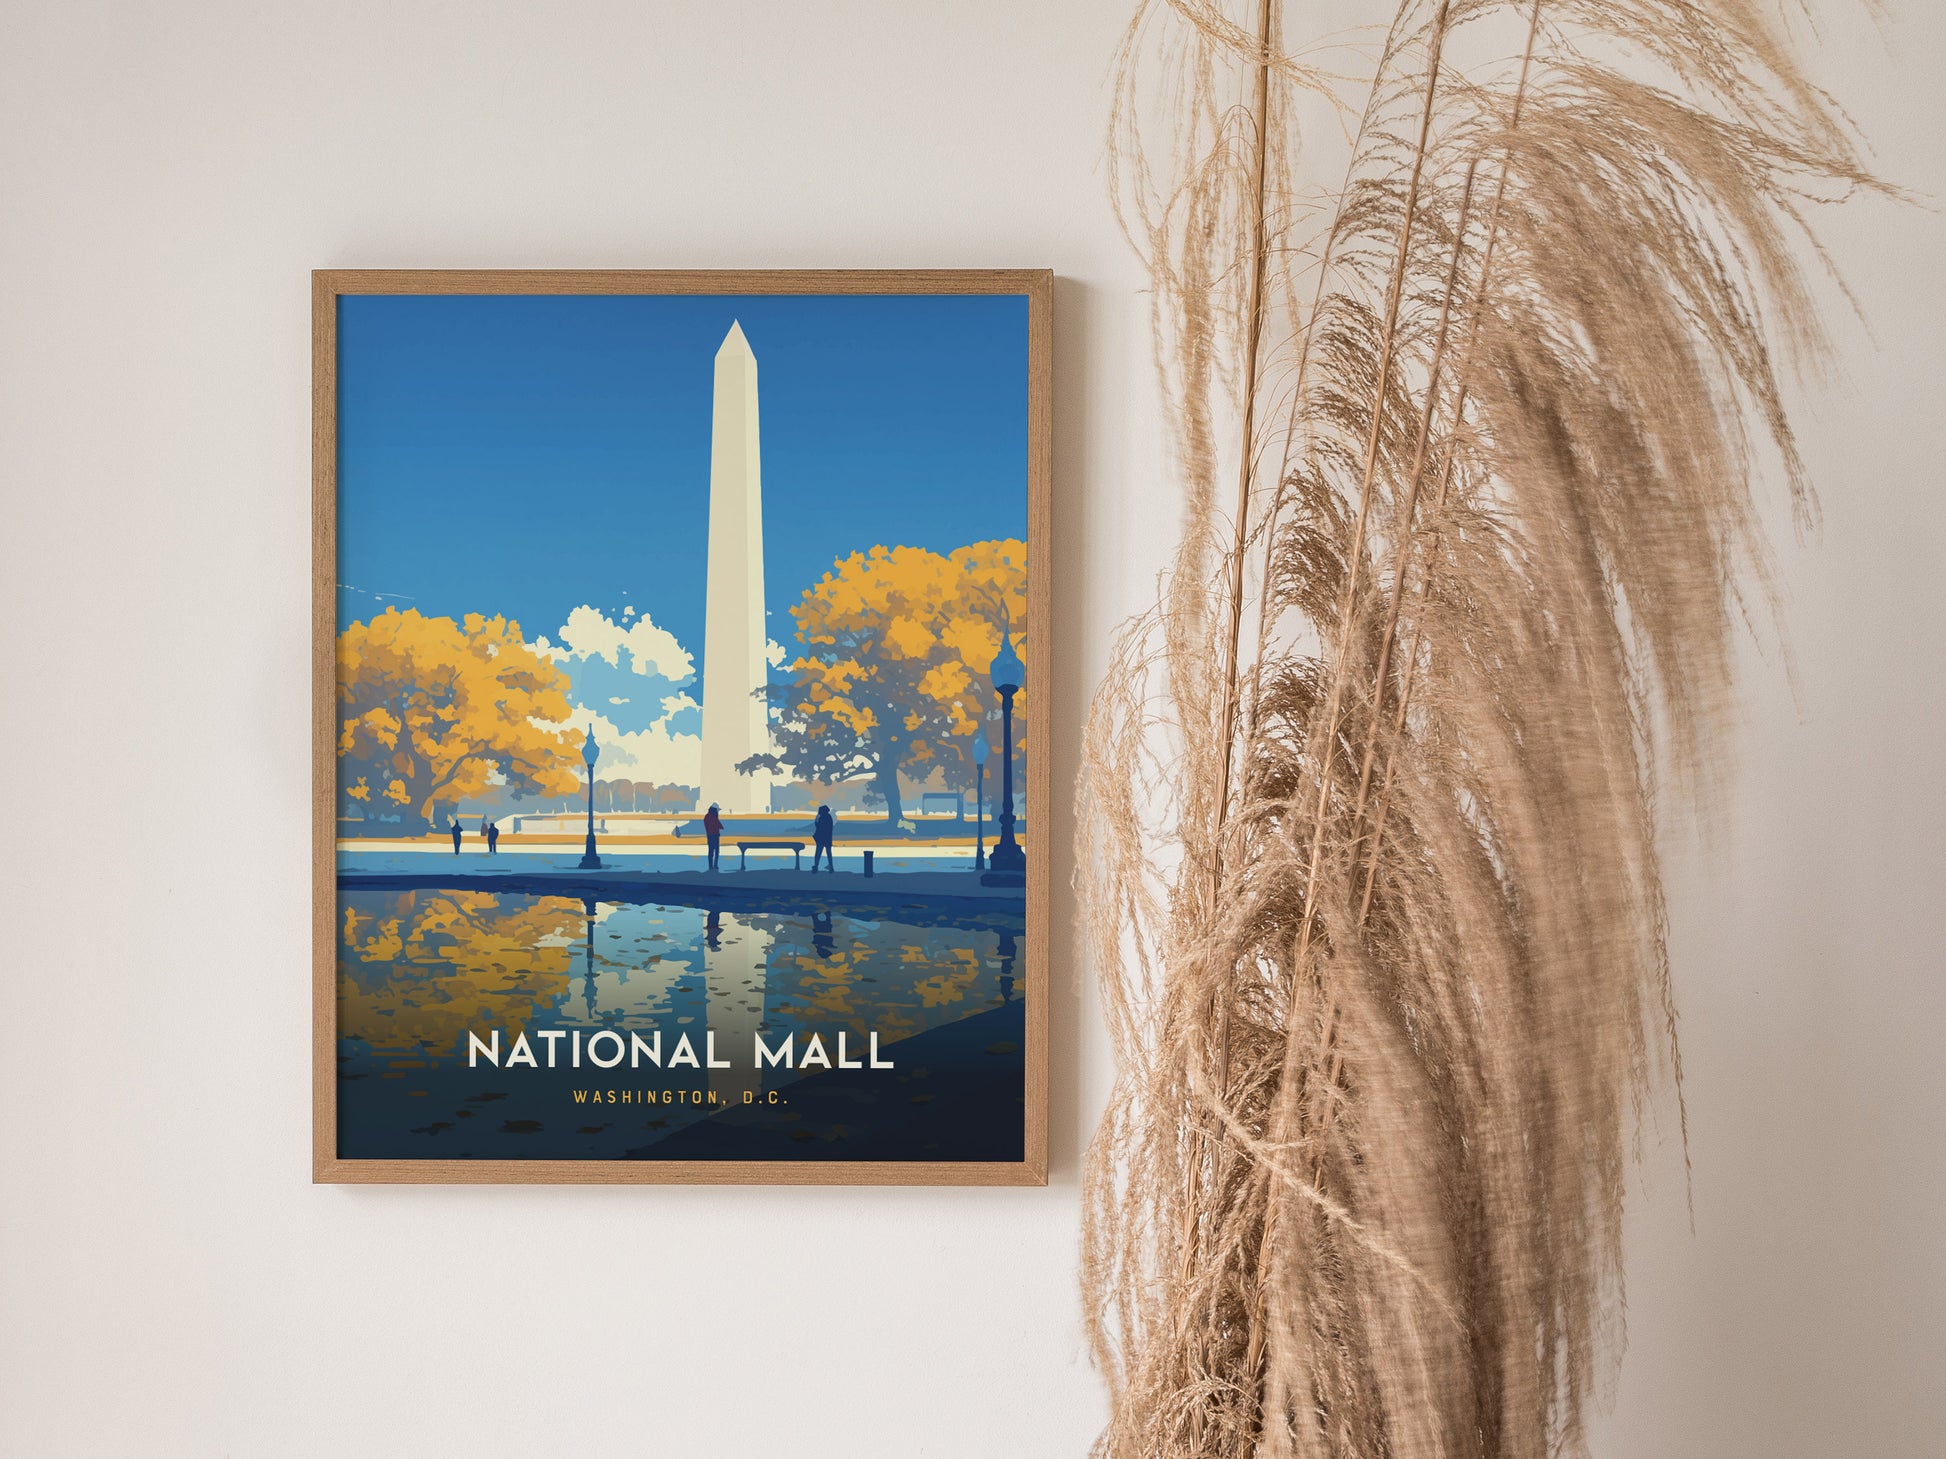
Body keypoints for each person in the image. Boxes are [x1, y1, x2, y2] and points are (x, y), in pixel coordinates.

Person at [811, 803, 835, 872]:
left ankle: (816, 866)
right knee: (828, 853)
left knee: (818, 853)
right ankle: (831, 867)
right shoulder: (829, 817)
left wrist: (816, 820)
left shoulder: (822, 818)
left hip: (821, 838)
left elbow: (818, 826)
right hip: (828, 838)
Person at [703, 803, 723, 872]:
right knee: (716, 851)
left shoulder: (706, 817)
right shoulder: (714, 817)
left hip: (709, 836)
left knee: (710, 851)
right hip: (715, 836)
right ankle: (715, 865)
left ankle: (710, 866)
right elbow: (721, 826)